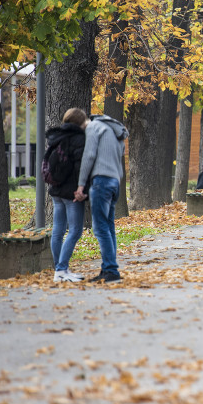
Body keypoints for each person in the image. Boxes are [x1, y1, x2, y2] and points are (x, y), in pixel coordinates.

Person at [74, 114, 128, 283]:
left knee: (100, 227)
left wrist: (81, 185)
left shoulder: (93, 127)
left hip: (101, 181)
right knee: (108, 226)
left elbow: (89, 155)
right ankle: (108, 268)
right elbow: (121, 154)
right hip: (115, 181)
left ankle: (111, 270)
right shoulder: (113, 130)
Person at [46, 108, 88, 283]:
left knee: (58, 231)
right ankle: (61, 269)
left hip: (56, 190)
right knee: (75, 230)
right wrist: (82, 189)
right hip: (72, 192)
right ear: (80, 122)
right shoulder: (79, 139)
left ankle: (60, 270)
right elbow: (80, 166)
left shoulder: (55, 137)